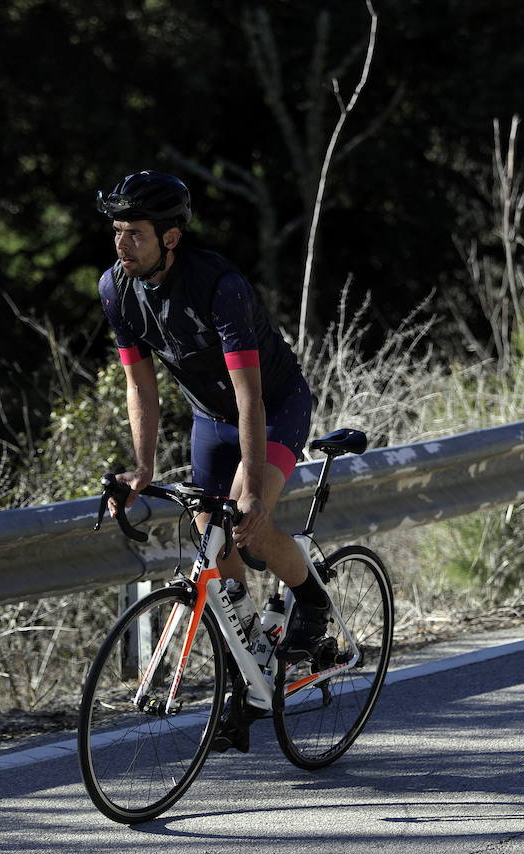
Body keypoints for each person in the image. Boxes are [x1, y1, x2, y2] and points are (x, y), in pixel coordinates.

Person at [96, 169, 333, 751]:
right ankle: (252, 676)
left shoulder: (220, 285)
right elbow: (140, 386)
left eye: (136, 234)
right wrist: (143, 470)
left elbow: (250, 393)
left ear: (171, 237)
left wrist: (251, 484)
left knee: (250, 532)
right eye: (117, 232)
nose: (122, 245)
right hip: (210, 420)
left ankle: (313, 597)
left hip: (273, 408)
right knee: (212, 542)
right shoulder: (117, 288)